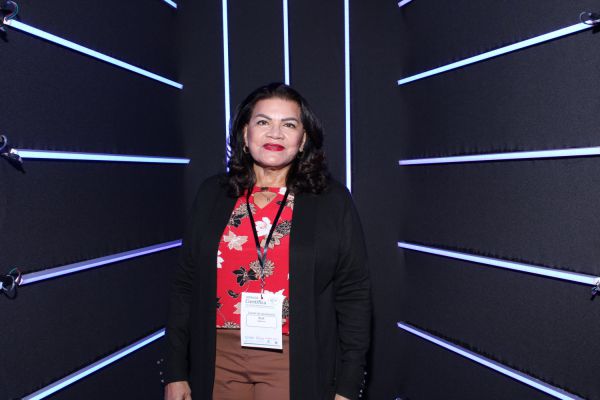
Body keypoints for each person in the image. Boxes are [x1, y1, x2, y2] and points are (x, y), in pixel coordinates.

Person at [164, 83, 371, 400]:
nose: (275, 133)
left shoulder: (331, 201)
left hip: (292, 359)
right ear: (245, 133)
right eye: (263, 122)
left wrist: (348, 385)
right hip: (218, 357)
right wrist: (175, 370)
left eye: (289, 124)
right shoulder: (212, 194)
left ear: (303, 140)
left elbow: (353, 293)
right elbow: (185, 284)